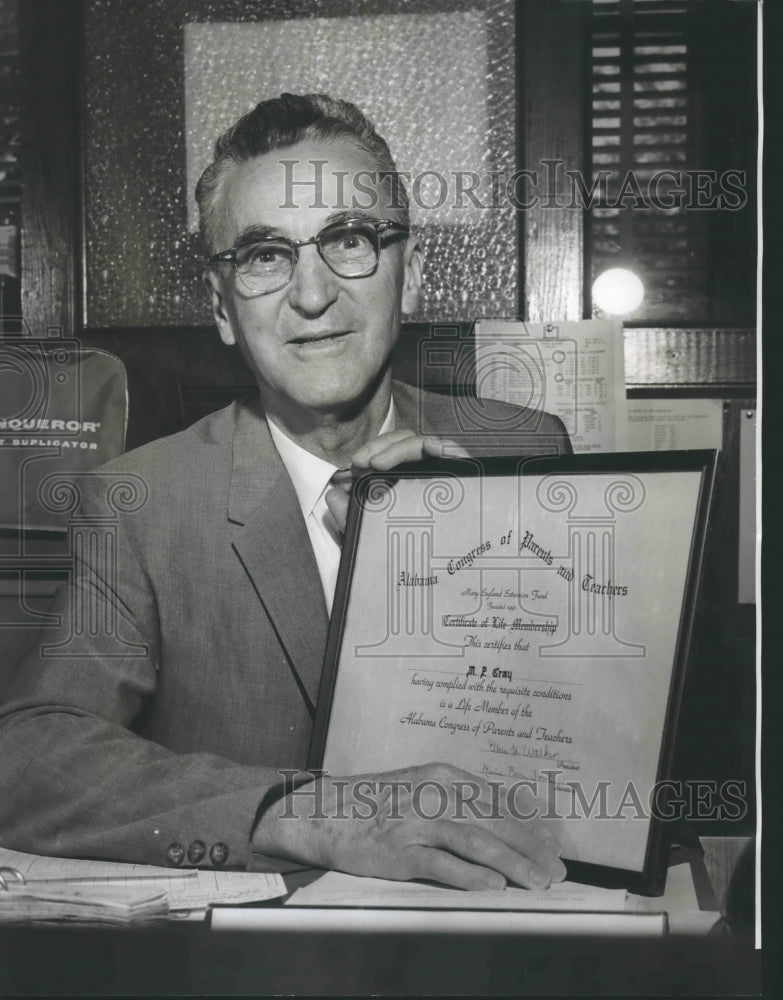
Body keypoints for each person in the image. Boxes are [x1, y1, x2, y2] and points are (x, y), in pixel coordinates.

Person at [0, 93, 571, 891]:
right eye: (265, 255)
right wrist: (305, 817)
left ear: (411, 279)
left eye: (348, 241)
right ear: (222, 308)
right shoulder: (142, 504)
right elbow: (27, 755)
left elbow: (596, 744)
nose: (311, 294)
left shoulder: (519, 450)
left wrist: (459, 558)